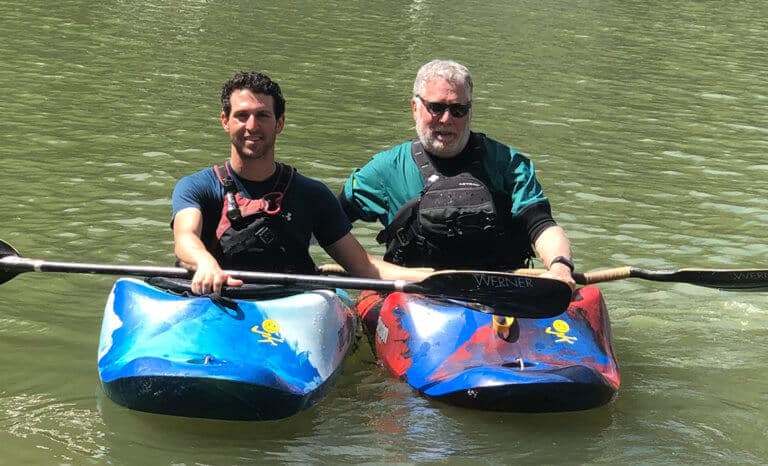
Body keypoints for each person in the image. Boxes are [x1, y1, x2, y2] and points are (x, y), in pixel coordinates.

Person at [171, 71, 428, 295]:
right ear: (225, 121)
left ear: (279, 123)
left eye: (262, 115)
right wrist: (204, 261)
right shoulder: (197, 187)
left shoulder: (312, 194)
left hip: (290, 308)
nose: (251, 126)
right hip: (219, 302)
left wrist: (434, 277)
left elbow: (363, 266)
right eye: (242, 116)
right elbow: (185, 237)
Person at [338, 60, 576, 290]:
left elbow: (541, 224)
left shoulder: (508, 164)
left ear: (470, 111)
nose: (446, 119)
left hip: (500, 293)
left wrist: (560, 267)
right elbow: (328, 226)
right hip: (413, 296)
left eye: (458, 110)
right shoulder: (384, 170)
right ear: (415, 107)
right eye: (436, 107)